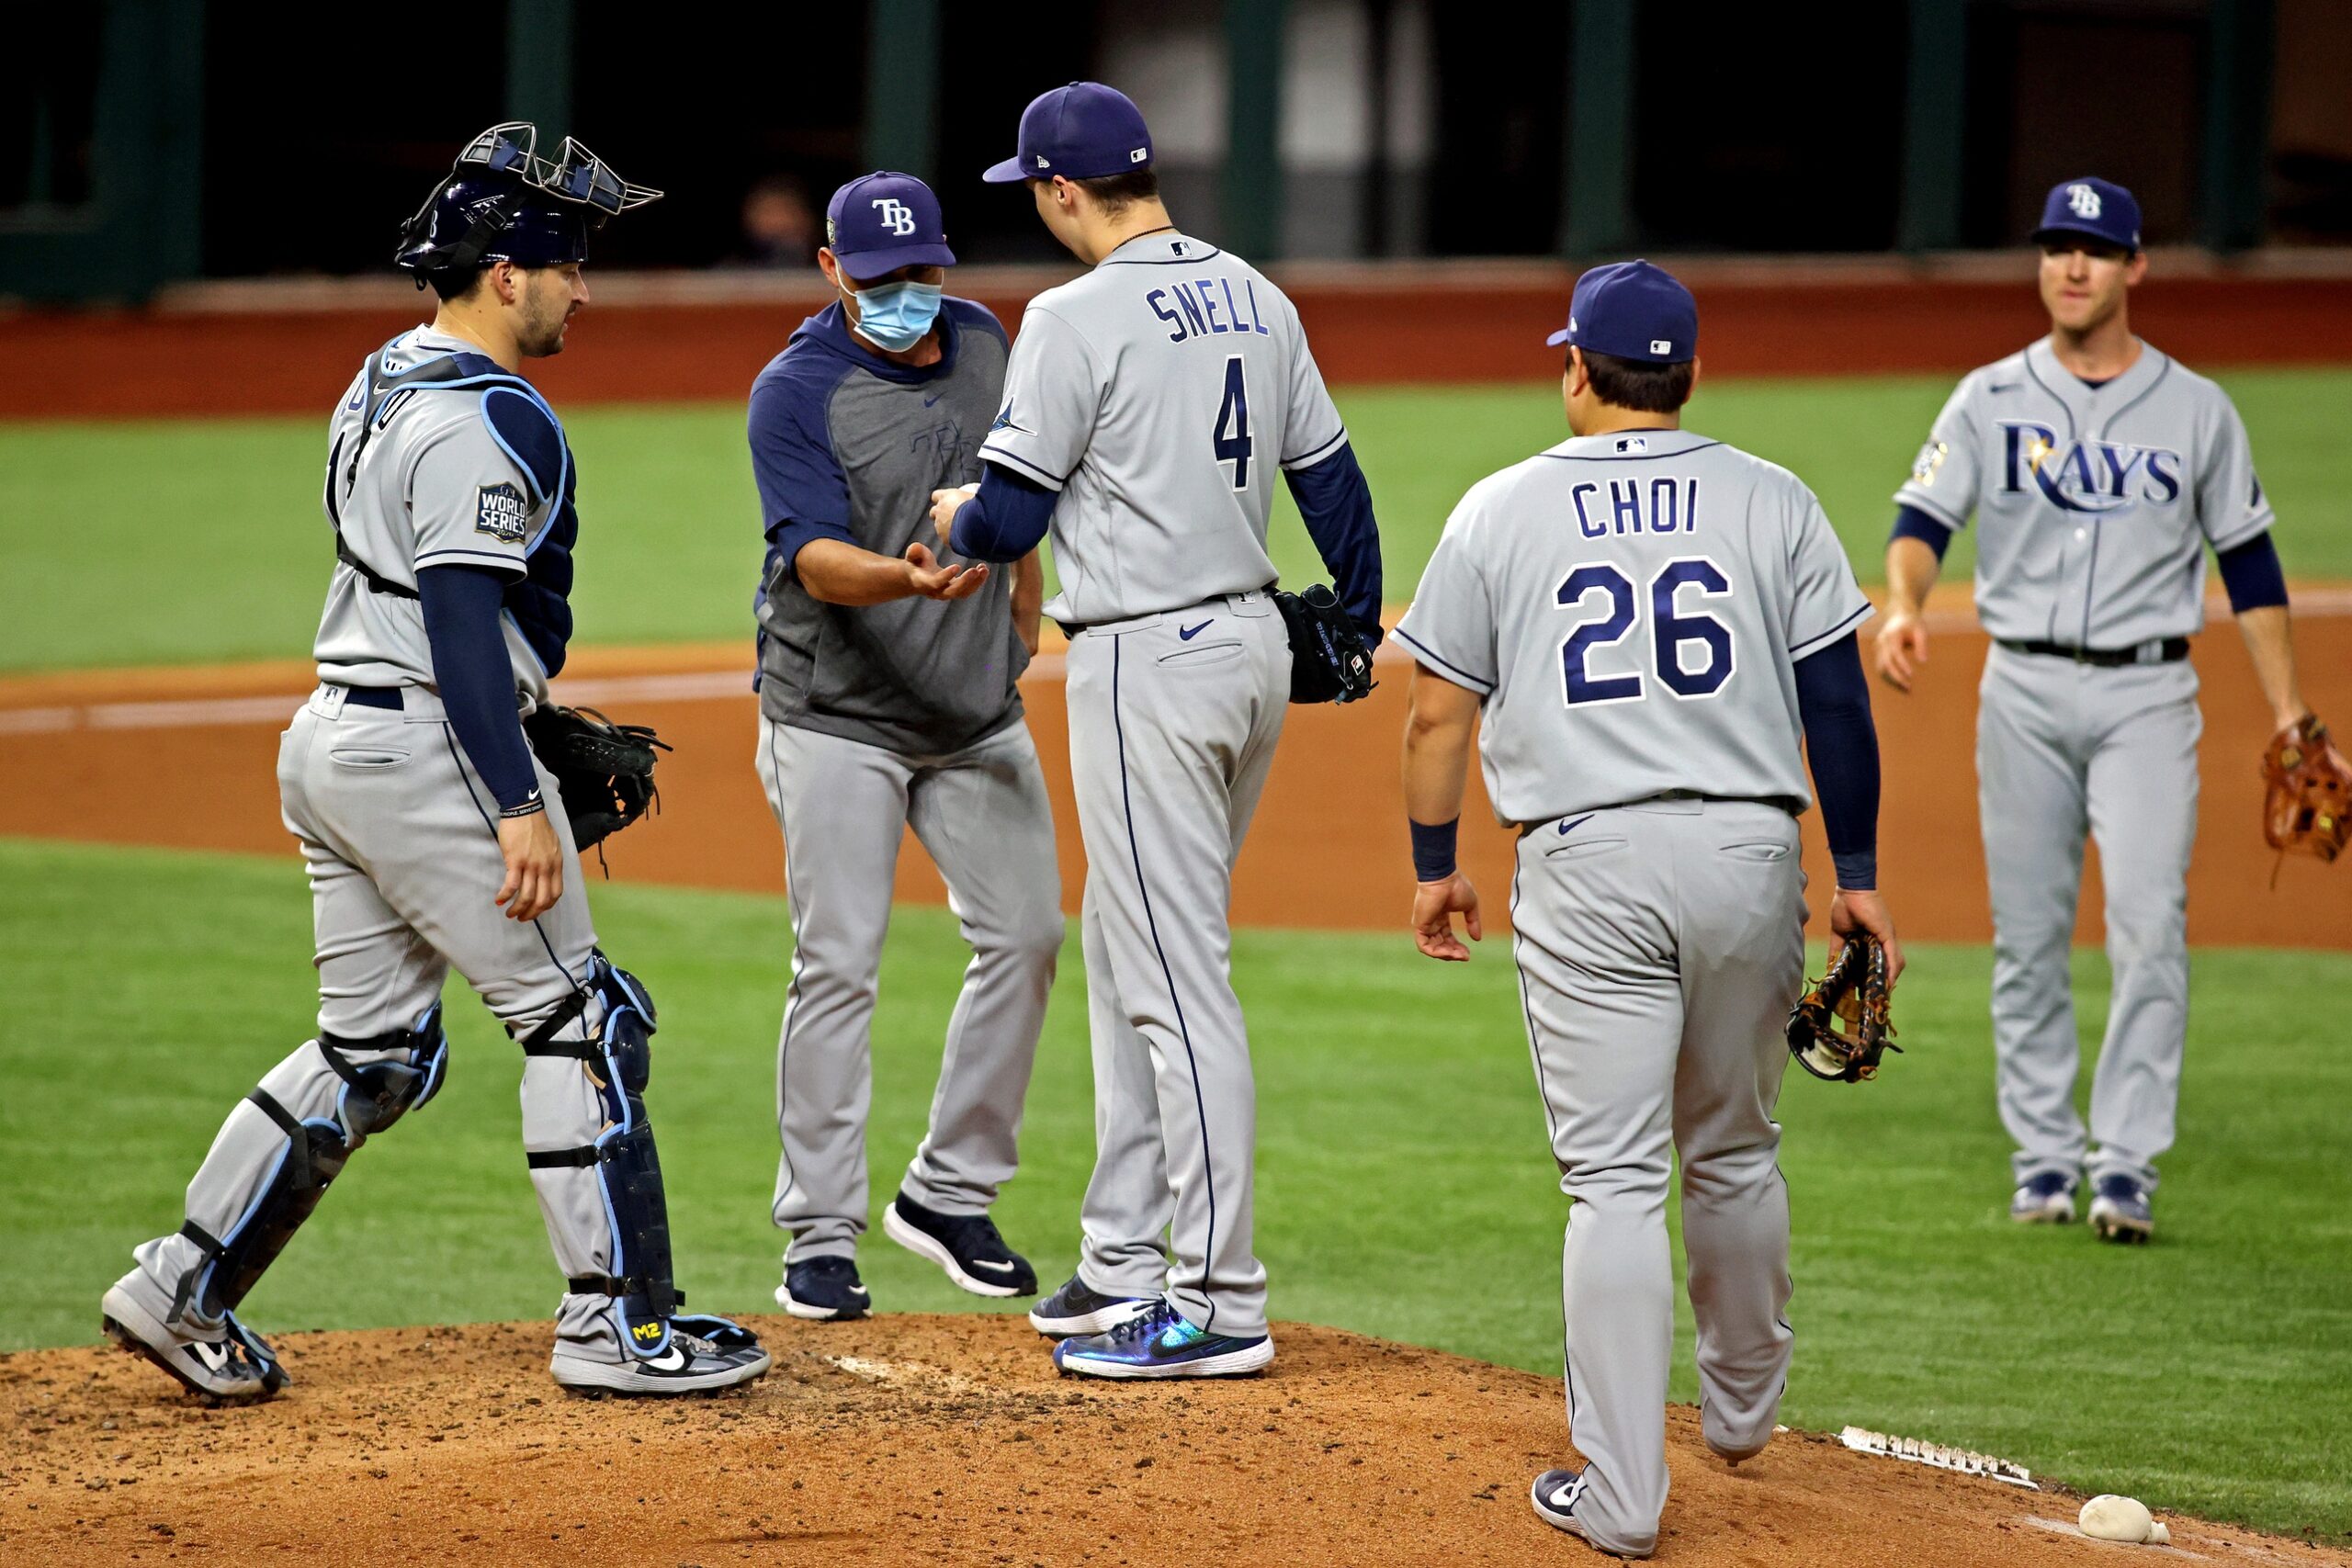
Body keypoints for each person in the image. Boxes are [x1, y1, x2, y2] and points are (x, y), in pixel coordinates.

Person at [98, 124, 768, 1402]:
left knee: (377, 1052)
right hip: (427, 745)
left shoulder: (386, 373)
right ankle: (619, 1327)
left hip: (334, 740)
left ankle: (183, 1280)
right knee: (586, 1021)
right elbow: (462, 612)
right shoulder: (490, 418)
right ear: (506, 273)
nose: (586, 287)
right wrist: (515, 794)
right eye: (570, 262)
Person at [1395, 261, 1895, 1555]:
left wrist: (1435, 858)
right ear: (1688, 373)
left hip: (1589, 859)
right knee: (1733, 1146)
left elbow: (1439, 710)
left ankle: (1619, 1497)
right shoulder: (1772, 496)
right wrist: (1860, 874)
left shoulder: (1501, 507)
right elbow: (1834, 701)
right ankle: (1739, 1414)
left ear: (1576, 370)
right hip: (1748, 852)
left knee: (1612, 1177)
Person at [932, 81, 1384, 1378]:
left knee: (1174, 977)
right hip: (1243, 651)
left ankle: (1217, 1296)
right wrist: (1351, 616)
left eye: (1039, 198)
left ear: (1067, 192)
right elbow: (1332, 480)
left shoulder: (1072, 317)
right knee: (1139, 953)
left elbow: (1012, 521)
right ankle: (1122, 1253)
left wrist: (959, 513)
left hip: (1145, 664)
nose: (1041, 218)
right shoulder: (1258, 292)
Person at [1877, 176, 2324, 1243]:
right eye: (2054, 247)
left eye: (2093, 249)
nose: (2070, 266)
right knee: (2027, 939)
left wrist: (2290, 712)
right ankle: (2042, 1160)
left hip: (2145, 696)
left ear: (2134, 268)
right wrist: (1901, 604)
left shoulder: (2195, 408)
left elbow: (2251, 565)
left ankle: (2124, 1166)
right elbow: (1918, 521)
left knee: (2148, 931)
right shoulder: (1987, 398)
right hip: (2022, 690)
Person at [747, 171, 1062, 1322]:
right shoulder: (796, 392)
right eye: (880, 280)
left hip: (973, 714)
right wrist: (910, 579)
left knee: (1027, 936)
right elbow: (815, 561)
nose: (907, 296)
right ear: (832, 273)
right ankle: (819, 1234)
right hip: (836, 715)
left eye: (923, 272)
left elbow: (1027, 483)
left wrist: (1023, 610)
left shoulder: (987, 343)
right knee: (838, 965)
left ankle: (949, 1192)